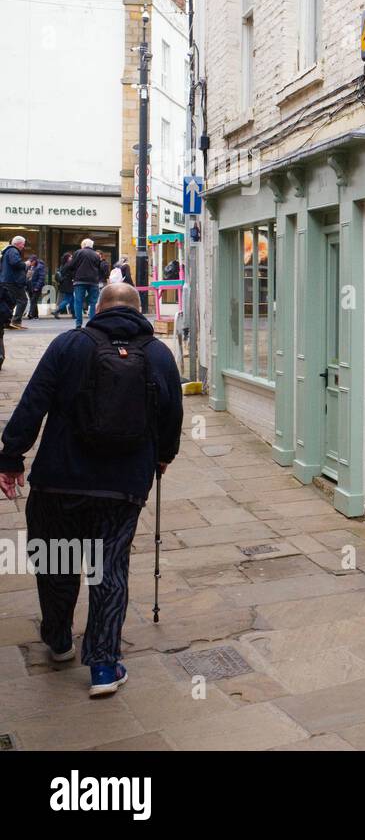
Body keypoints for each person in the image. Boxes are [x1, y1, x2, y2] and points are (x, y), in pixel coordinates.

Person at [0, 281, 184, 697]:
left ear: (98, 308)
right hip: (122, 486)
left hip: (58, 480)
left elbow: (34, 401)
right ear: (138, 311)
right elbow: (172, 414)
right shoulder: (158, 354)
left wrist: (11, 457)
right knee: (109, 570)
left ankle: (60, 640)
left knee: (54, 560)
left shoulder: (68, 345)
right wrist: (163, 456)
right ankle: (103, 665)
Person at [68, 238, 109, 329]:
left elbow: (71, 266)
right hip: (93, 281)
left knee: (78, 302)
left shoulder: (78, 252)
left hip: (79, 280)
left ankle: (79, 324)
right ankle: (92, 323)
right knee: (93, 302)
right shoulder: (96, 255)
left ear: (83, 245)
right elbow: (99, 267)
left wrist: (74, 275)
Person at [2, 235, 27, 337]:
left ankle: (6, 322)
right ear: (18, 243)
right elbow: (15, 263)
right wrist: (26, 264)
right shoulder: (13, 251)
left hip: (7, 280)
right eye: (23, 244)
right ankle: (16, 321)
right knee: (22, 300)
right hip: (14, 281)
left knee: (10, 302)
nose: (23, 246)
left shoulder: (7, 251)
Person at [25, 254, 46, 320]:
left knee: (33, 300)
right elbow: (27, 277)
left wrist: (37, 286)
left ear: (35, 261)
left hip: (36, 287)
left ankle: (30, 314)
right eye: (30, 261)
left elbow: (41, 278)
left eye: (31, 261)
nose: (30, 263)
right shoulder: (29, 267)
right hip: (29, 286)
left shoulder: (40, 267)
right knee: (33, 301)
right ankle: (35, 315)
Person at [54, 252, 74, 318]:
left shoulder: (62, 265)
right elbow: (71, 274)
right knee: (68, 299)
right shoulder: (69, 265)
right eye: (70, 257)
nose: (71, 258)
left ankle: (74, 314)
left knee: (71, 299)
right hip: (68, 284)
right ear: (67, 258)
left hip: (64, 284)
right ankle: (57, 310)